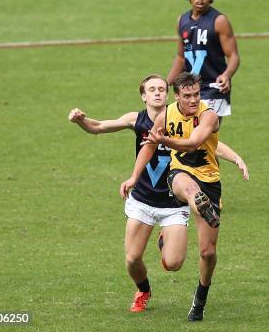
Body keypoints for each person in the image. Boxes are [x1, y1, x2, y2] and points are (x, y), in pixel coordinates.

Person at [69, 74, 248, 314]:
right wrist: (82, 120)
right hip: (143, 200)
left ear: (168, 94)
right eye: (151, 89)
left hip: (174, 202)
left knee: (174, 264)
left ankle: (171, 235)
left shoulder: (182, 118)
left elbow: (209, 143)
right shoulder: (139, 120)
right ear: (143, 96)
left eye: (161, 88)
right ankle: (143, 290)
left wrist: (235, 157)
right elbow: (99, 127)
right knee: (132, 259)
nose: (157, 93)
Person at [120, 72, 227, 322]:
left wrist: (164, 139)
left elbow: (193, 143)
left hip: (210, 180)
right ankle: (197, 204)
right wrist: (134, 176)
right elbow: (149, 145)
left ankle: (201, 297)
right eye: (187, 96)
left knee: (208, 253)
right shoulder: (166, 114)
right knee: (187, 187)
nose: (193, 100)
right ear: (176, 96)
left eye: (196, 95)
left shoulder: (209, 115)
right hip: (179, 175)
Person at [167, 0, 240, 120]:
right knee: (192, 137)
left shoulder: (219, 21)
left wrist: (226, 75)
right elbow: (181, 57)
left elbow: (233, 56)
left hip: (214, 87)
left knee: (203, 134)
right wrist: (165, 83)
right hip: (190, 88)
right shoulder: (182, 20)